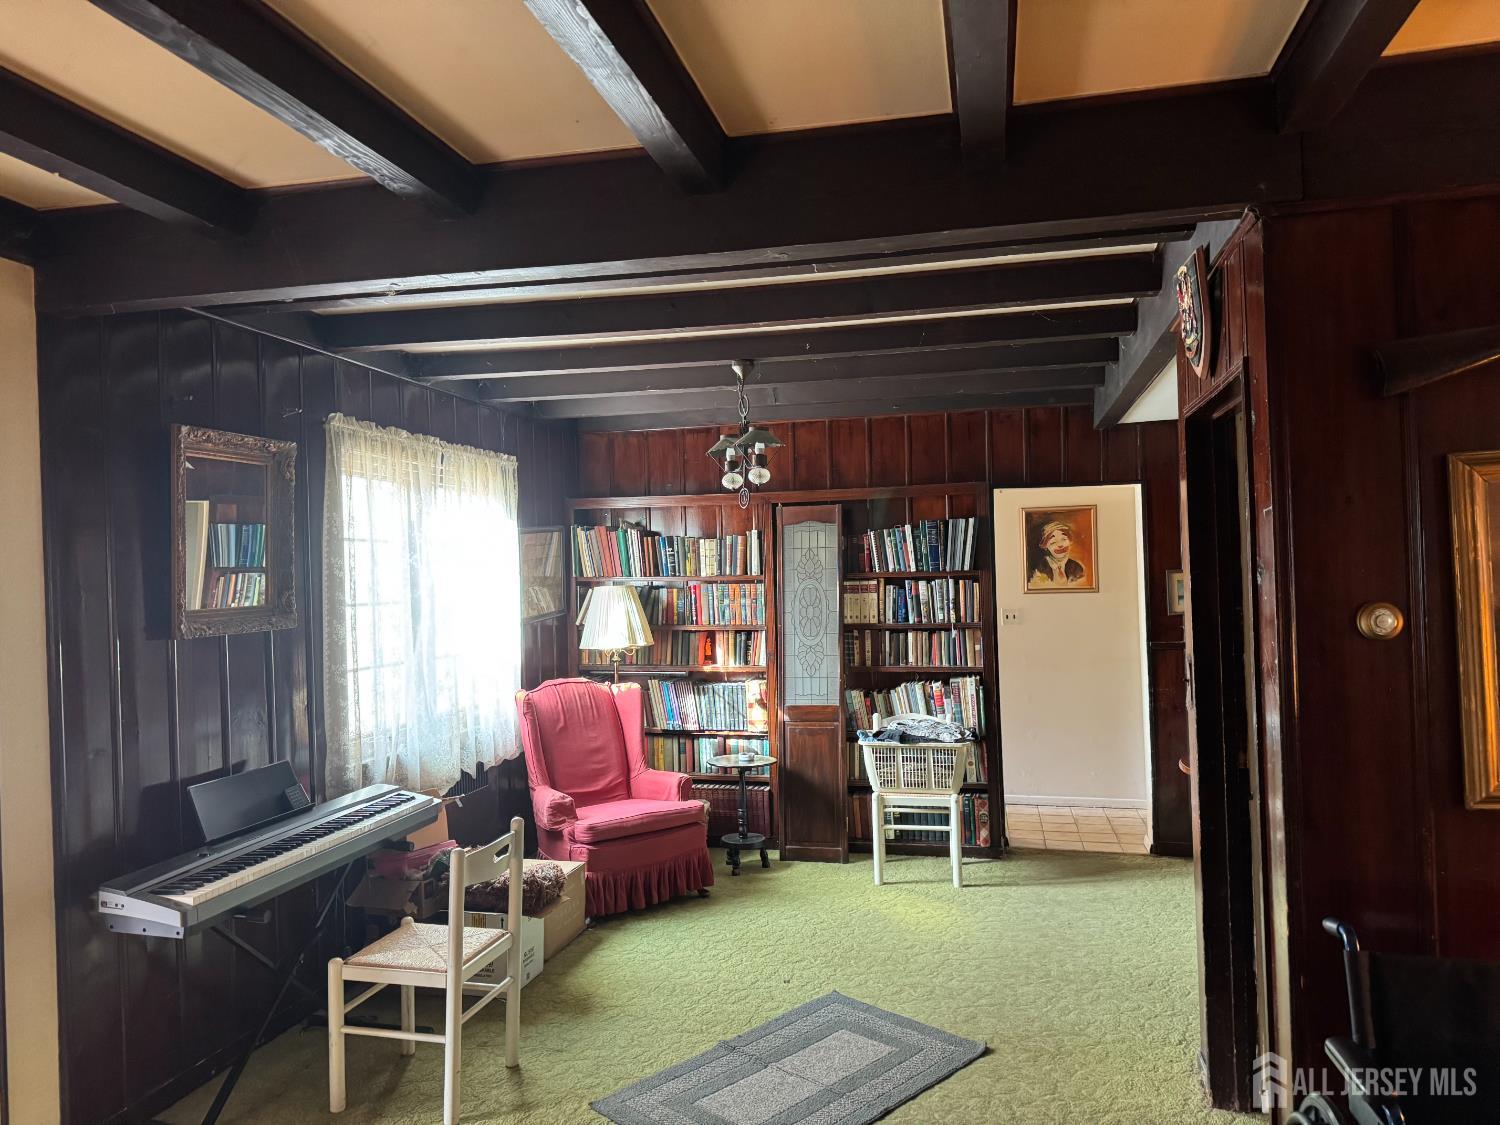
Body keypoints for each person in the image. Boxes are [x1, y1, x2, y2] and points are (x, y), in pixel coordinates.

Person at [1028, 518, 1087, 588]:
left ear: (1070, 542)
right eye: (1053, 542)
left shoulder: (1077, 568)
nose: (1060, 545)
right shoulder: (1038, 569)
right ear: (1045, 546)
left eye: (1064, 539)